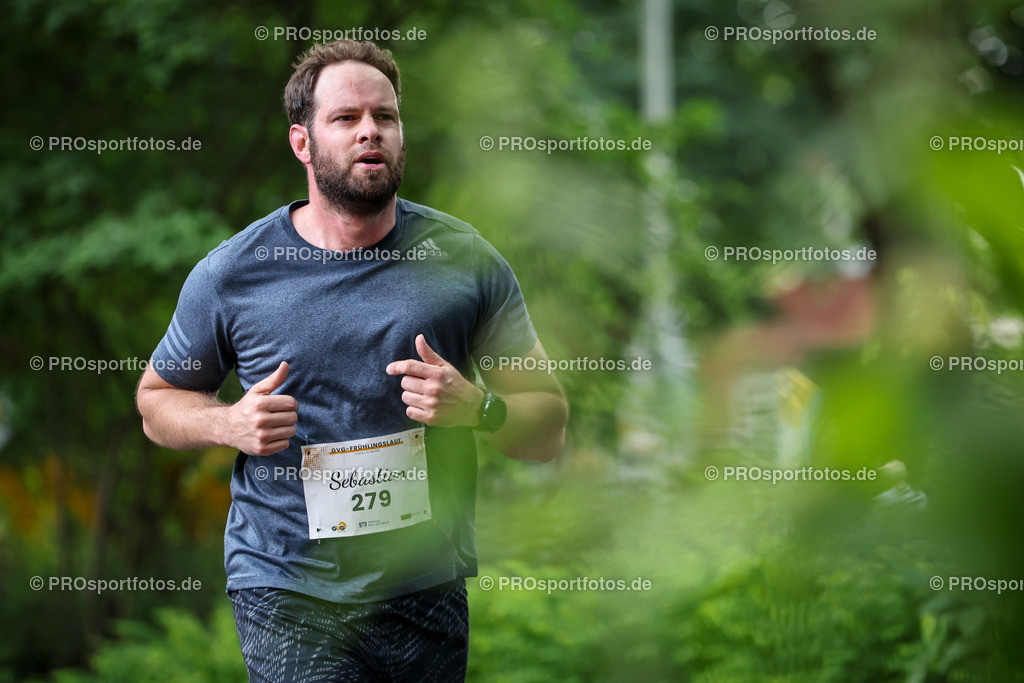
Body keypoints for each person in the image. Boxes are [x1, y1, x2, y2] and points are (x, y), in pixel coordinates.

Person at [135, 38, 568, 682]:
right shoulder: (234, 273)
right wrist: (227, 424)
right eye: (346, 119)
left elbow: (549, 427)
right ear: (302, 143)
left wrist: (479, 408)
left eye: (385, 117)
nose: (371, 132)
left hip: (425, 585)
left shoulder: (464, 261)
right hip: (286, 583)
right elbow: (156, 401)